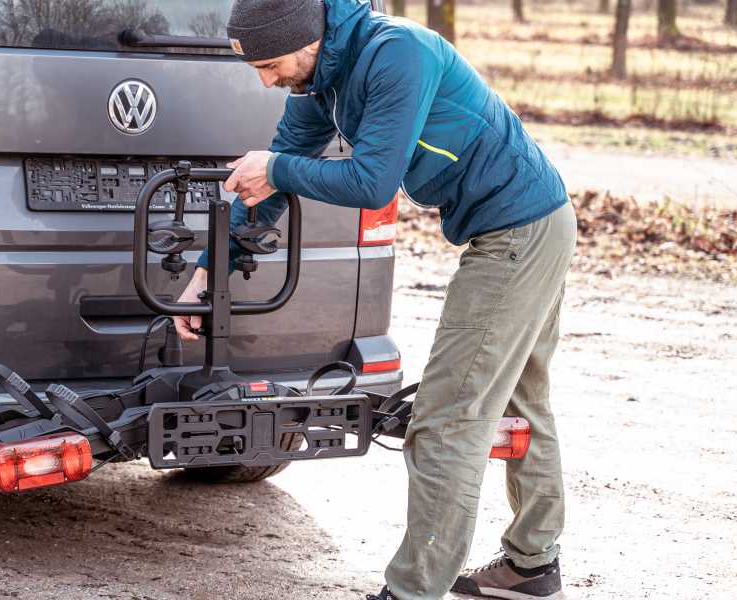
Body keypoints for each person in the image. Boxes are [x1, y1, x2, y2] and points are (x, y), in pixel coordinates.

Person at [172, 0, 576, 598]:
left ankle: (414, 590)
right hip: (528, 225)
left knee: (445, 419)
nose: (267, 80)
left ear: (308, 39)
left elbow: (371, 182)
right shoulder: (320, 79)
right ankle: (532, 566)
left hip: (517, 232)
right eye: (256, 68)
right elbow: (274, 179)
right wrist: (211, 270)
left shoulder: (397, 52)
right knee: (522, 399)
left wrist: (279, 169)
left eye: (272, 63)